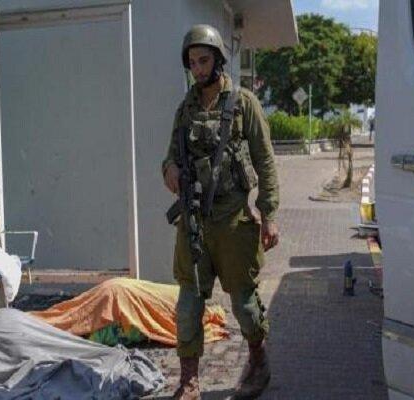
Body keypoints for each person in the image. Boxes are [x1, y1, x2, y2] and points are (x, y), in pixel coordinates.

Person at [162, 25, 280, 400]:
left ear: (217, 60)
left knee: (244, 305)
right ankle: (189, 381)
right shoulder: (185, 110)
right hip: (194, 222)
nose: (198, 69)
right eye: (192, 63)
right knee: (188, 305)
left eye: (204, 61)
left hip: (232, 221)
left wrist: (268, 213)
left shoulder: (244, 103)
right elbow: (170, 157)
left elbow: (265, 161)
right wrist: (170, 170)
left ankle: (258, 362)